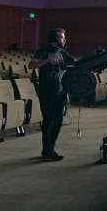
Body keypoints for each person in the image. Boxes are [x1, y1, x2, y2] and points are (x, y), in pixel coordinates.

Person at [28, 28, 75, 162]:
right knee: (48, 121)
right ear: (55, 39)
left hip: (60, 92)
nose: (64, 40)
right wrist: (47, 61)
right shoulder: (44, 51)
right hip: (47, 92)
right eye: (61, 37)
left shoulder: (62, 52)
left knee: (58, 120)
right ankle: (48, 150)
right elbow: (31, 65)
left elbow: (74, 63)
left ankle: (49, 148)